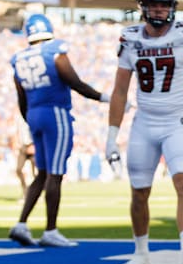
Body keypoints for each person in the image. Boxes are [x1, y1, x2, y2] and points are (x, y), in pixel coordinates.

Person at [104, 0, 183, 264]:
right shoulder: (129, 38)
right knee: (139, 192)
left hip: (177, 120)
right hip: (143, 122)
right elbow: (119, 91)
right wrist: (111, 137)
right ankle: (141, 253)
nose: (159, 9)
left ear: (172, 8)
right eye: (153, 4)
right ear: (143, 7)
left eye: (164, 5)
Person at [9, 13, 110, 247]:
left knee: (42, 173)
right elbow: (75, 83)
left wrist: (30, 120)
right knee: (55, 173)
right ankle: (50, 230)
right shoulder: (54, 51)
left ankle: (21, 224)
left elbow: (21, 98)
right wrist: (104, 98)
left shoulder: (19, 58)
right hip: (55, 112)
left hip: (33, 113)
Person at [14, 115, 36, 199]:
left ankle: (36, 192)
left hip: (32, 145)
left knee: (37, 172)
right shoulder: (19, 118)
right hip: (23, 147)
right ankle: (25, 192)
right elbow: (17, 132)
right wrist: (16, 143)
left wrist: (34, 145)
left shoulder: (33, 116)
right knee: (19, 169)